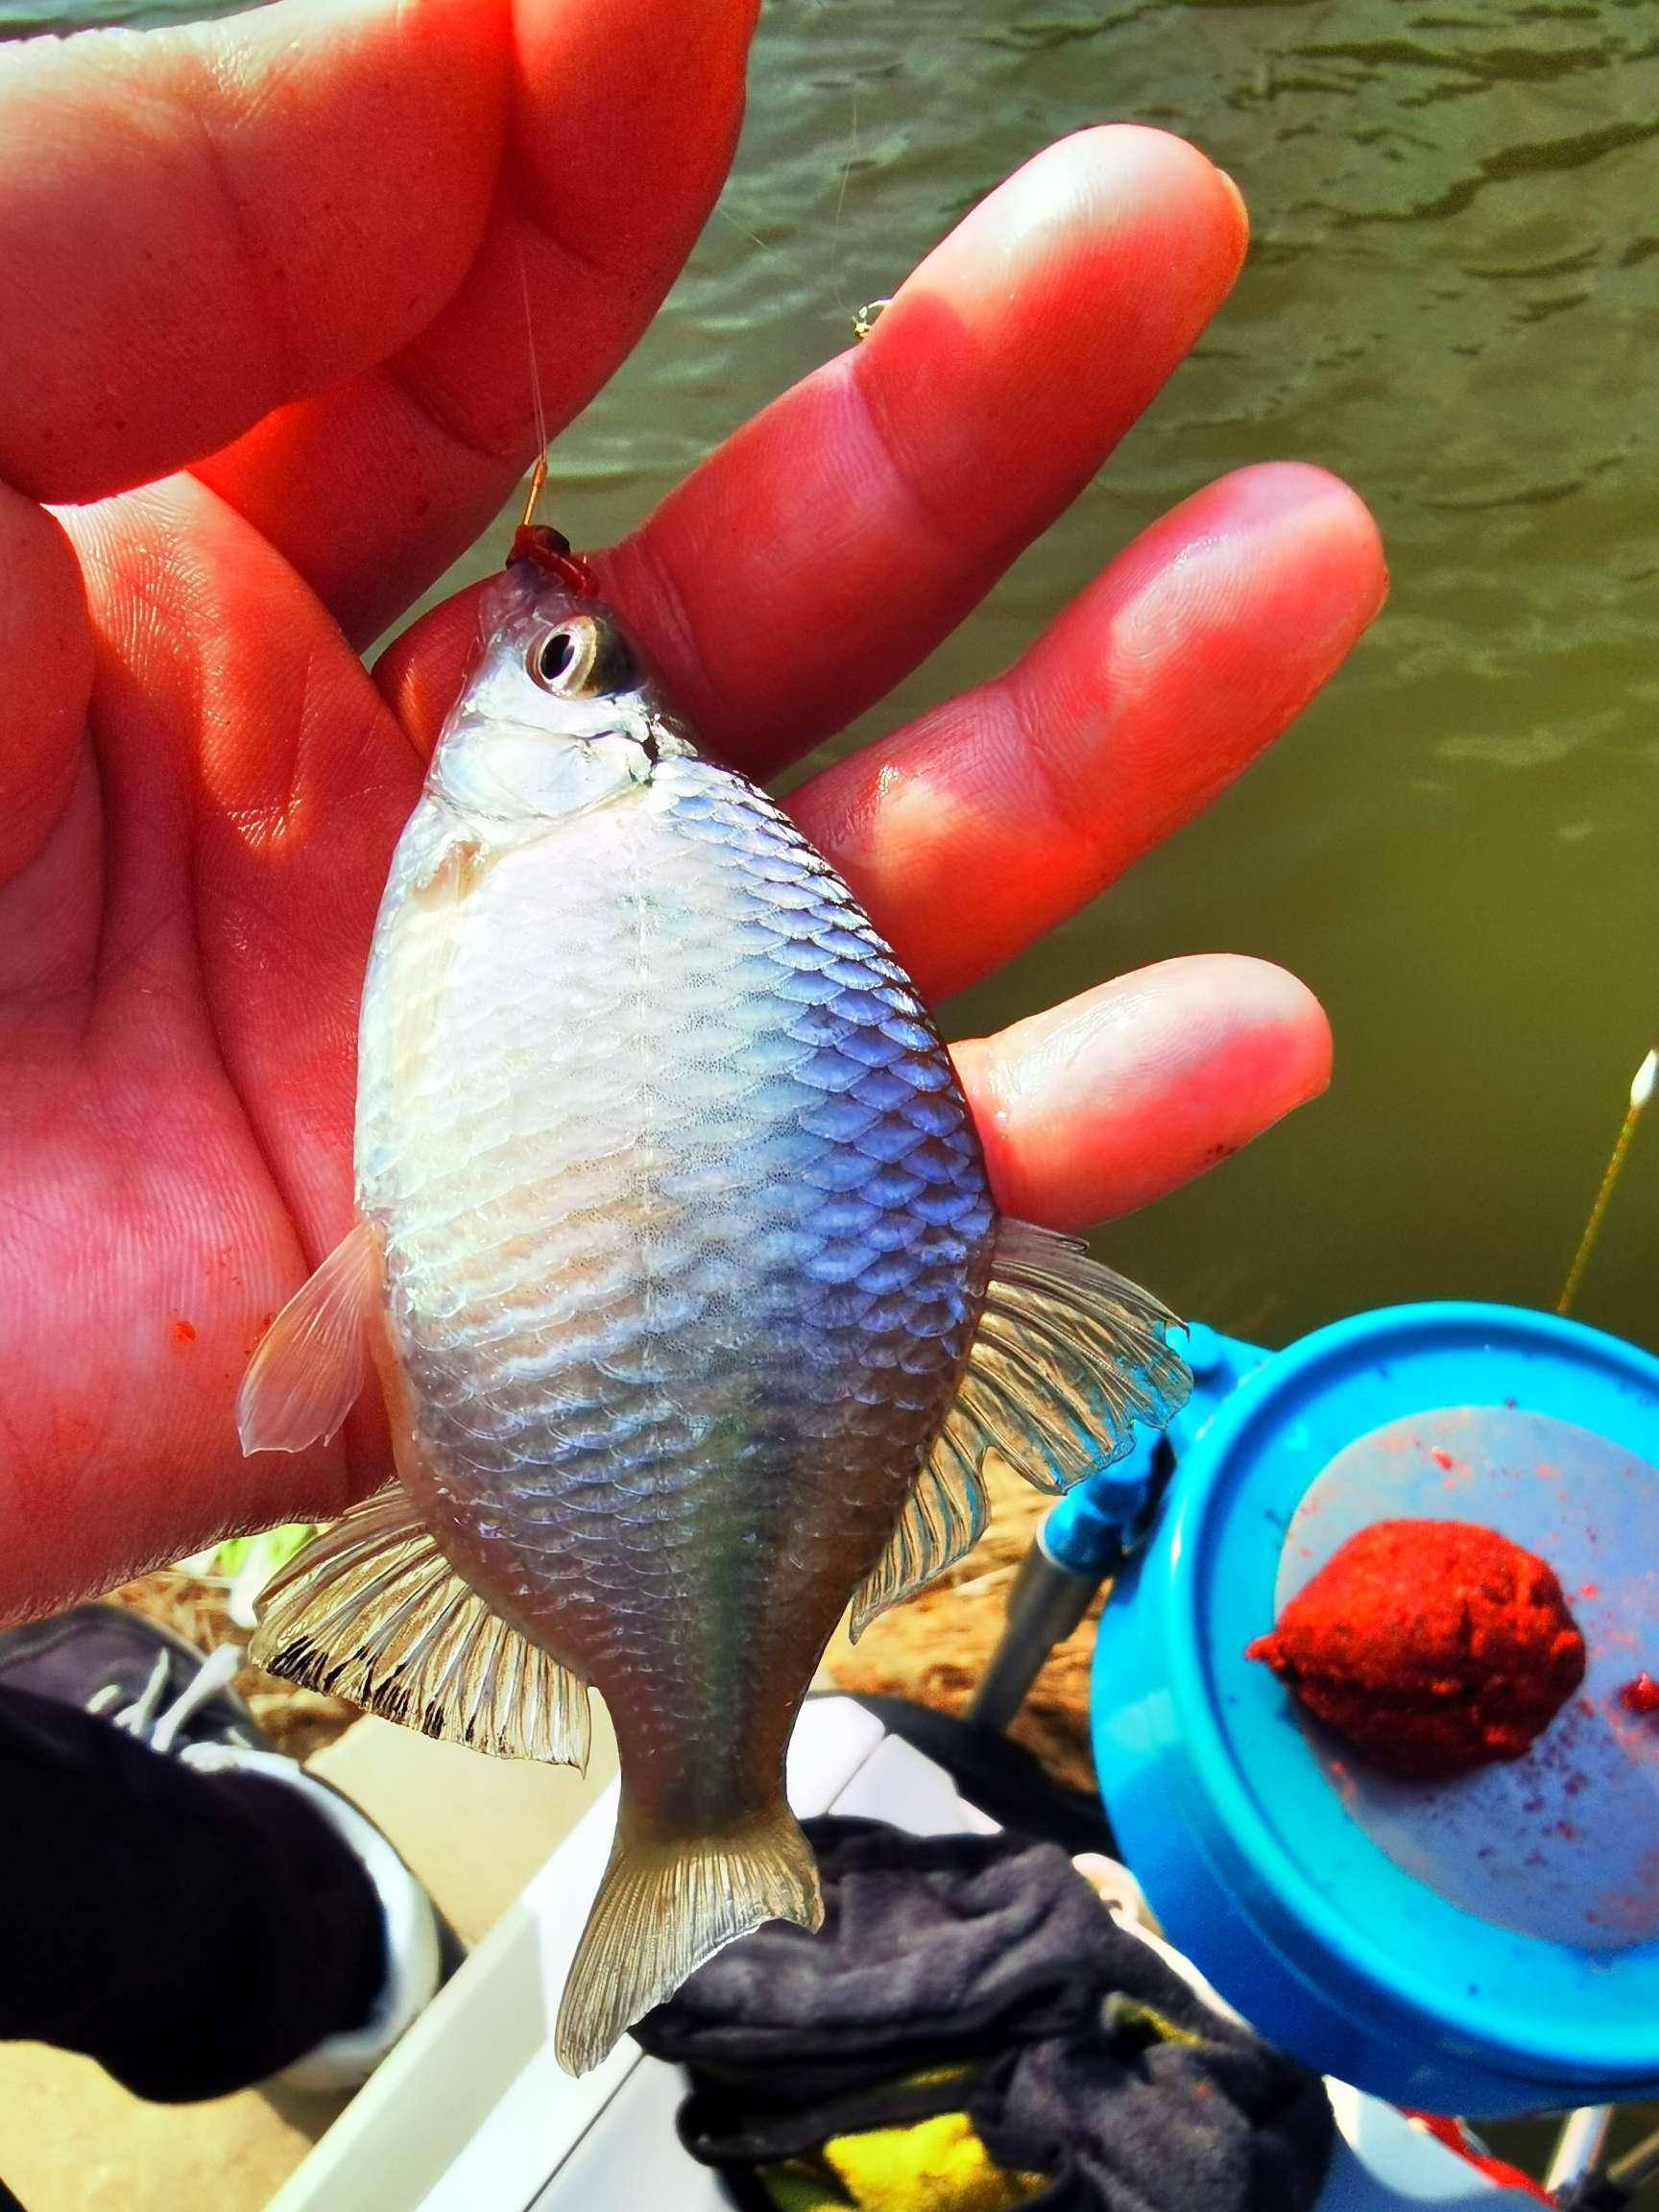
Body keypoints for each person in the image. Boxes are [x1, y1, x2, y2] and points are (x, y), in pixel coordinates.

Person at [0, 0, 1385, 2119]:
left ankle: (688, 1813)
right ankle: (654, 1819)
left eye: (565, 666)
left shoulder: (582, 836)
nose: (537, 655)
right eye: (574, 661)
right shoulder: (564, 839)